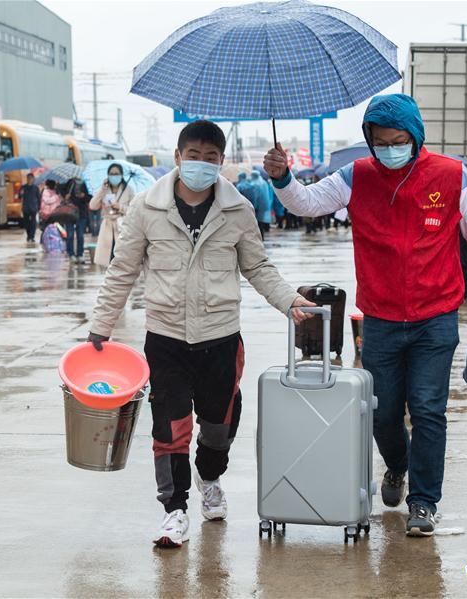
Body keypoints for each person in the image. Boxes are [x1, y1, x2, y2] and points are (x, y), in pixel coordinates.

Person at [264, 93, 467, 537]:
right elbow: (306, 203)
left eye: (399, 141)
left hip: (436, 315)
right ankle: (397, 464)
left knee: (429, 408)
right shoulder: (356, 176)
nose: (390, 149)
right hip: (380, 318)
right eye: (380, 141)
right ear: (369, 140)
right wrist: (283, 179)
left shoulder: (453, 177)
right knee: (382, 413)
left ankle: (424, 502)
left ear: (416, 138)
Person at [87, 120, 316, 548]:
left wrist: (288, 300)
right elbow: (123, 269)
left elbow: (258, 267)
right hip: (166, 338)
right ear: (178, 157)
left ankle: (210, 478)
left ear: (221, 163)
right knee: (169, 427)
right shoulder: (146, 207)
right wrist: (101, 325)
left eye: (211, 158)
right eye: (193, 155)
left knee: (218, 427)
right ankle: (175, 510)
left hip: (221, 339)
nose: (201, 164)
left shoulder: (238, 209)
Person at [89, 163, 134, 267]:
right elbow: (93, 205)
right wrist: (102, 190)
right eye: (111, 174)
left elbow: (134, 211)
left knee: (121, 258)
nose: (114, 176)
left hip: (122, 226)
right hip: (107, 227)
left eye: (116, 174)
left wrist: (121, 207)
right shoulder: (104, 189)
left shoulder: (128, 190)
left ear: (121, 175)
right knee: (107, 258)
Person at [65, 177, 91, 263]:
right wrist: (66, 197)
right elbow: (60, 192)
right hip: (69, 213)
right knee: (70, 235)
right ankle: (71, 254)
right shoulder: (68, 183)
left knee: (80, 235)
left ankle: (80, 254)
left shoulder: (84, 183)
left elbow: (89, 198)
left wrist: (83, 196)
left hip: (81, 213)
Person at [249, 171, 273, 239]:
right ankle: (262, 236)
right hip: (264, 205)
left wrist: (254, 205)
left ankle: (259, 237)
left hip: (257, 206)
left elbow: (256, 197)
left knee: (257, 223)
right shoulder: (263, 182)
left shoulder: (255, 184)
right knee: (261, 221)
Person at [18, 172, 41, 242]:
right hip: (26, 207)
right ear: (27, 179)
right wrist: (21, 194)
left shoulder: (36, 188)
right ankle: (28, 235)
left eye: (31, 178)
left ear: (33, 179)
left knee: (33, 222)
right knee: (26, 223)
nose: (29, 180)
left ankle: (32, 236)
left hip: (34, 207)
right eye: (28, 178)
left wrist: (39, 207)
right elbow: (19, 197)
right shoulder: (23, 187)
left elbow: (39, 198)